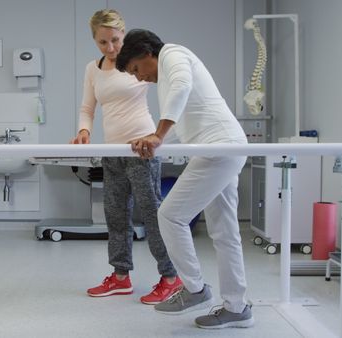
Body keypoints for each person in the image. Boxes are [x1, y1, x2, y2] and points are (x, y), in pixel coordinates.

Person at [116, 29, 254, 329]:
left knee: (169, 216)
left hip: (218, 150)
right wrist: (154, 138)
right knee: (225, 233)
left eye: (137, 70)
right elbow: (182, 119)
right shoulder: (166, 71)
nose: (139, 78)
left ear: (146, 53)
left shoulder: (173, 55)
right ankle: (237, 307)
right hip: (226, 147)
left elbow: (181, 87)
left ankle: (194, 289)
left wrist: (157, 135)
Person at [71, 10, 182, 305]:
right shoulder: (92, 69)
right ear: (95, 41)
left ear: (124, 35)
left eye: (115, 40)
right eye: (103, 42)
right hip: (112, 152)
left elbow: (170, 89)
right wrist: (84, 131)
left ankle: (171, 277)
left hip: (141, 149)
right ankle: (120, 276)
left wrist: (160, 134)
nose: (110, 48)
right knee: (116, 215)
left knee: (151, 214)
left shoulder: (137, 62)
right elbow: (87, 107)